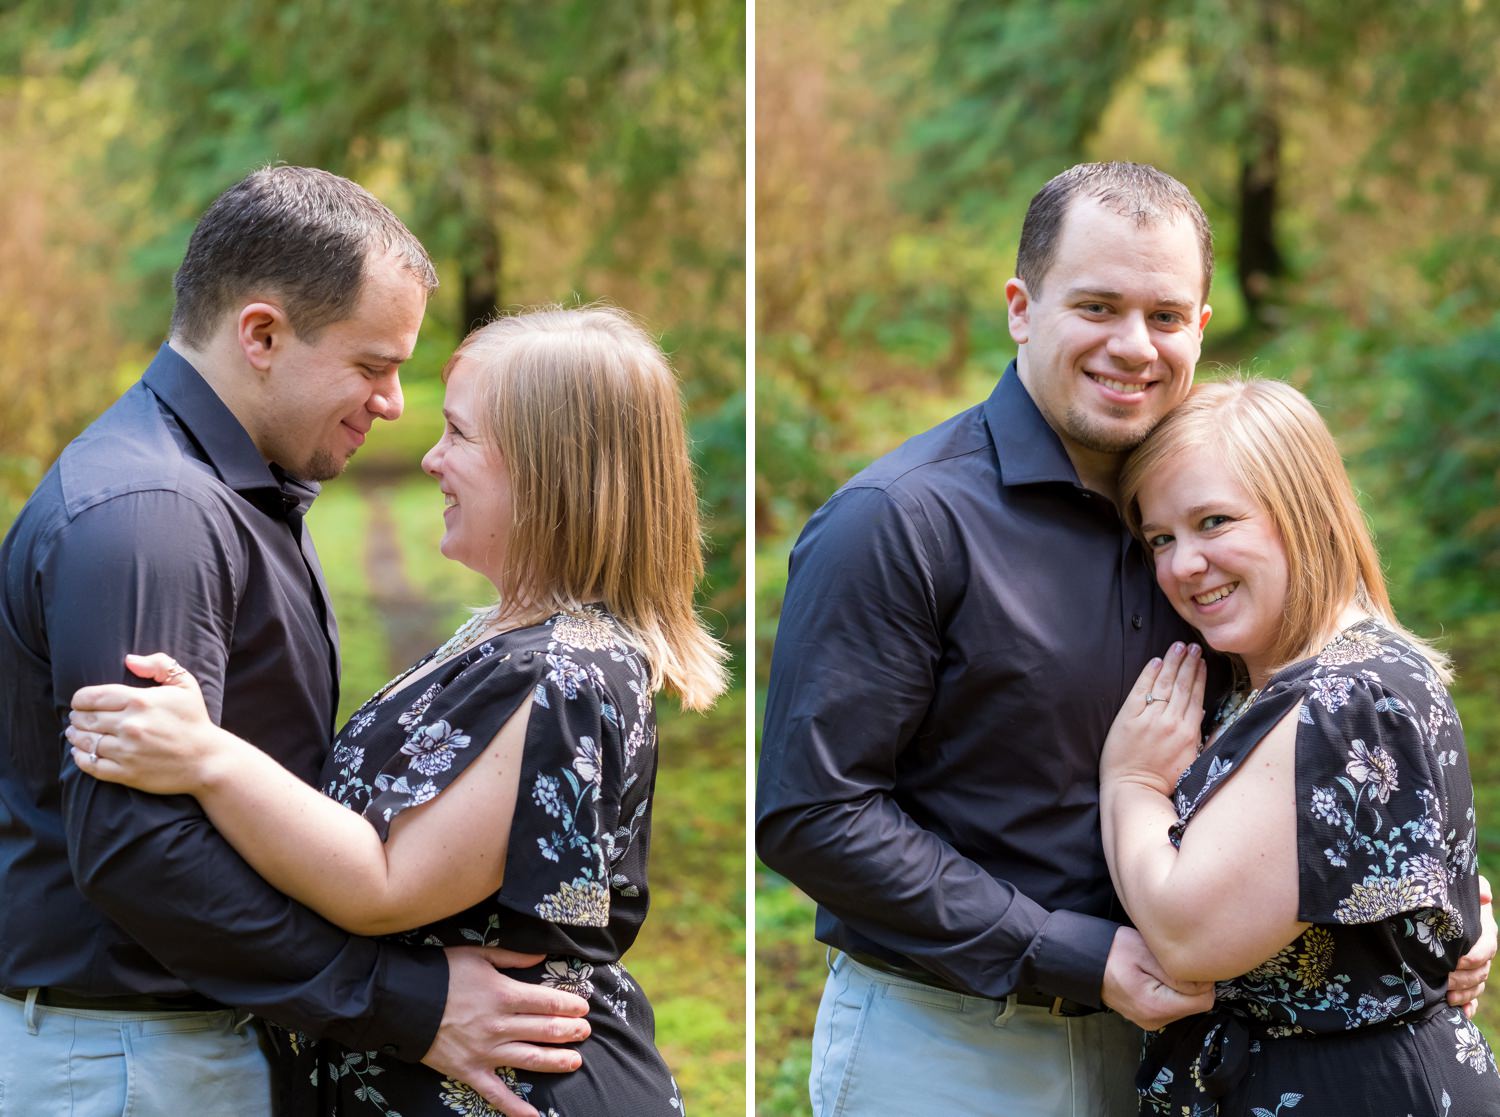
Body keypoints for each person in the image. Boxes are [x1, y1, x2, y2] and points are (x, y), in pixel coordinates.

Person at [755, 161, 1494, 1115]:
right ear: (1022, 307)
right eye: (1097, 306)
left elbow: (1328, 731)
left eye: (1166, 315)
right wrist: (1082, 955)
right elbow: (815, 813)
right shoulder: (899, 521)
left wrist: (1430, 904)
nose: (1134, 346)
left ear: (1201, 326)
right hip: (965, 1049)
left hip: (1199, 1047)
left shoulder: (1212, 500)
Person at [0, 167, 589, 1117]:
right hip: (136, 1063)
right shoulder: (156, 514)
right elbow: (137, 852)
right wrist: (408, 1004)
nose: (393, 403)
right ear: (262, 335)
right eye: (372, 365)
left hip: (190, 1044)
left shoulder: (236, 488)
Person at [67, 306, 729, 1115]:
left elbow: (385, 883)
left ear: (548, 469)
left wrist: (209, 756)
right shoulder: (506, 635)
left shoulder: (564, 670)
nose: (430, 458)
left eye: (460, 435)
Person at [1100, 376, 1500, 1114]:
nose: (1183, 564)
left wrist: (1129, 782)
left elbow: (1189, 937)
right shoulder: (1270, 680)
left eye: (1214, 521)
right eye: (1162, 537)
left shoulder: (1346, 697)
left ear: (1305, 514)